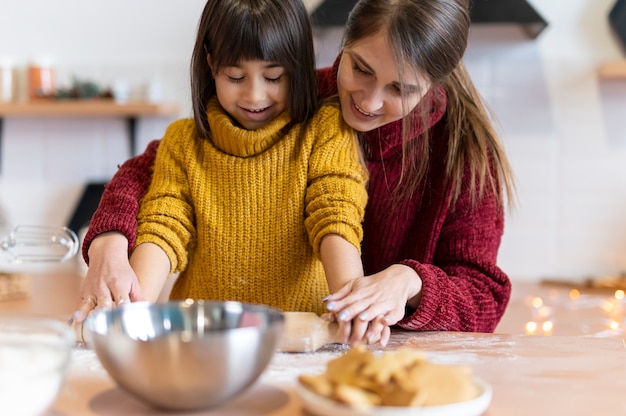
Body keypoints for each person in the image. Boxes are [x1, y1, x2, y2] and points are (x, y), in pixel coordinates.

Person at [74, 0, 515, 347]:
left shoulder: (467, 158)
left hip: (376, 355)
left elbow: (483, 297)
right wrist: (110, 242)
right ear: (343, 44)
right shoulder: (297, 93)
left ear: (433, 83)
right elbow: (156, 171)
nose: (369, 101)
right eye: (359, 68)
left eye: (401, 89)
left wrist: (410, 281)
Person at [79, 0, 369, 319]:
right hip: (200, 336)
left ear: (298, 68)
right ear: (212, 63)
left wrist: (352, 307)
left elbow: (335, 215)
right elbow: (163, 228)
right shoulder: (182, 142)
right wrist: (129, 309)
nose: (254, 95)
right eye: (235, 77)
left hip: (304, 337)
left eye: (273, 77)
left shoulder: (325, 129)